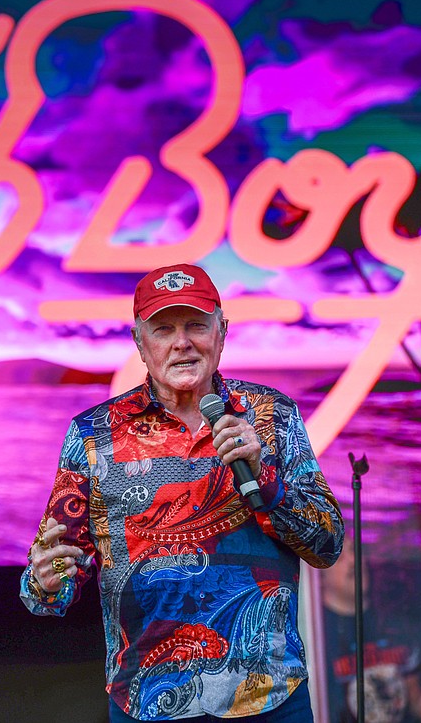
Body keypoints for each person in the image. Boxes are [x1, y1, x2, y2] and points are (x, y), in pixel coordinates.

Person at [21, 263, 345, 722]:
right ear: (139, 342)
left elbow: (328, 545)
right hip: (149, 696)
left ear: (222, 331)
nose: (182, 342)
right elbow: (54, 578)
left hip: (270, 694)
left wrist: (266, 479)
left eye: (196, 325)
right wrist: (46, 582)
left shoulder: (273, 417)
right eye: (163, 328)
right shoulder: (93, 434)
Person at [320, 538, 421, 723]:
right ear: (319, 575)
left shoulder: (396, 624)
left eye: (355, 550)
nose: (354, 560)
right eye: (339, 557)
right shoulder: (316, 637)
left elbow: (411, 698)